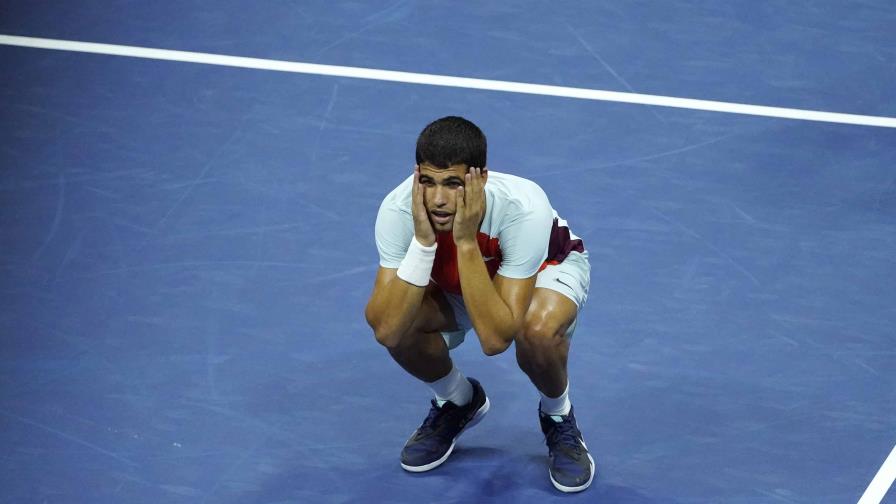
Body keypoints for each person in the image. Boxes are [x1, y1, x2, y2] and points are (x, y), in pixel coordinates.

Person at [364, 116, 595, 493]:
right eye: (428, 181)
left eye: (453, 183)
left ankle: (558, 415)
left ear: (481, 178)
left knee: (536, 333)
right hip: (455, 281)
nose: (438, 200)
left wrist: (466, 241)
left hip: (542, 272)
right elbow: (387, 329)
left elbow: (495, 339)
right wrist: (422, 244)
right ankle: (458, 400)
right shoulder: (398, 210)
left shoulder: (522, 207)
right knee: (401, 321)